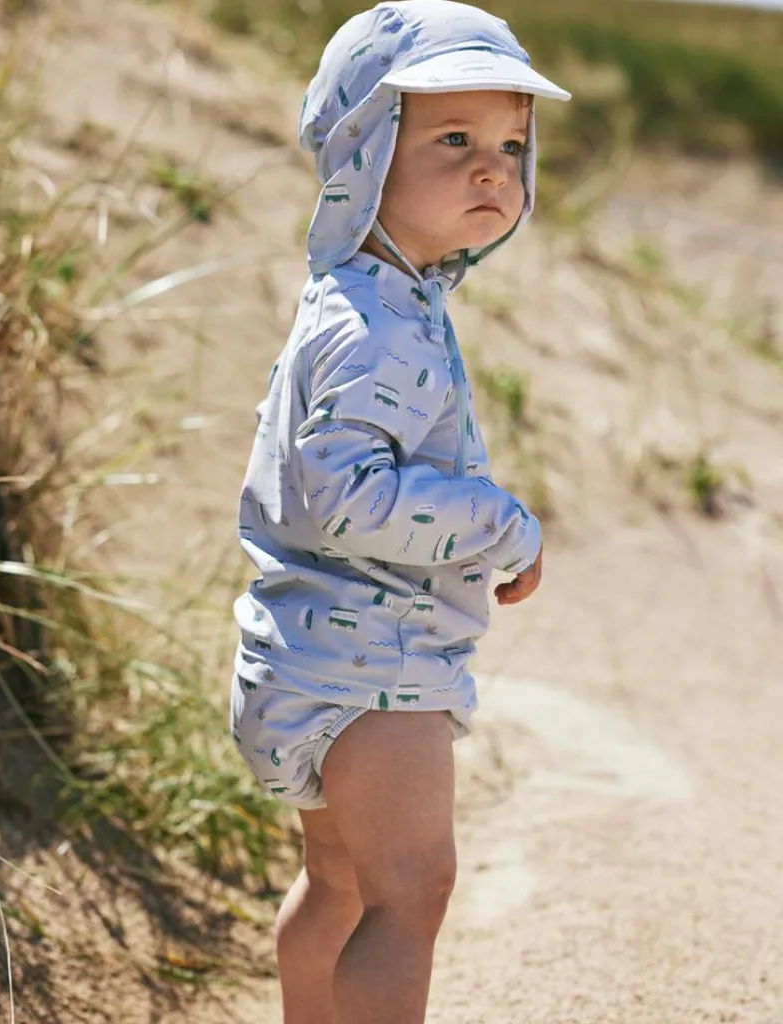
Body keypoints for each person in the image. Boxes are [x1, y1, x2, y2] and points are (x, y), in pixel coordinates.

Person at [229, 3, 570, 1022]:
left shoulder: (367, 295)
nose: (492, 170)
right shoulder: (376, 325)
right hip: (371, 662)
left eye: (511, 146)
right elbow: (349, 497)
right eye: (452, 139)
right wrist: (499, 522)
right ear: (366, 153)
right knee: (410, 893)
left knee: (339, 885)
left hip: (309, 650)